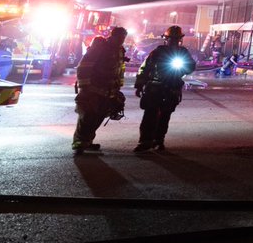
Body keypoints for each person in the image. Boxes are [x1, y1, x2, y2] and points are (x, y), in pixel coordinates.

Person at [133, 25, 195, 153]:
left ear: (179, 39)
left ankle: (158, 140)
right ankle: (144, 141)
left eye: (175, 39)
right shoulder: (157, 52)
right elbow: (144, 68)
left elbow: (190, 67)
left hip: (171, 88)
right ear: (166, 39)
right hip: (154, 88)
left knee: (164, 116)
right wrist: (139, 85)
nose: (173, 41)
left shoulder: (183, 52)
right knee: (149, 115)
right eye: (171, 38)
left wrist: (184, 67)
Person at [71, 26, 128, 155]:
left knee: (99, 116)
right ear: (112, 36)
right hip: (93, 89)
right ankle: (79, 142)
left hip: (108, 90)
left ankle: (88, 141)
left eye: (123, 37)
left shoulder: (120, 50)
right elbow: (83, 66)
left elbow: (120, 69)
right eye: (119, 37)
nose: (121, 40)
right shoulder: (100, 48)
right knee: (87, 116)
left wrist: (118, 87)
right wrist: (84, 87)